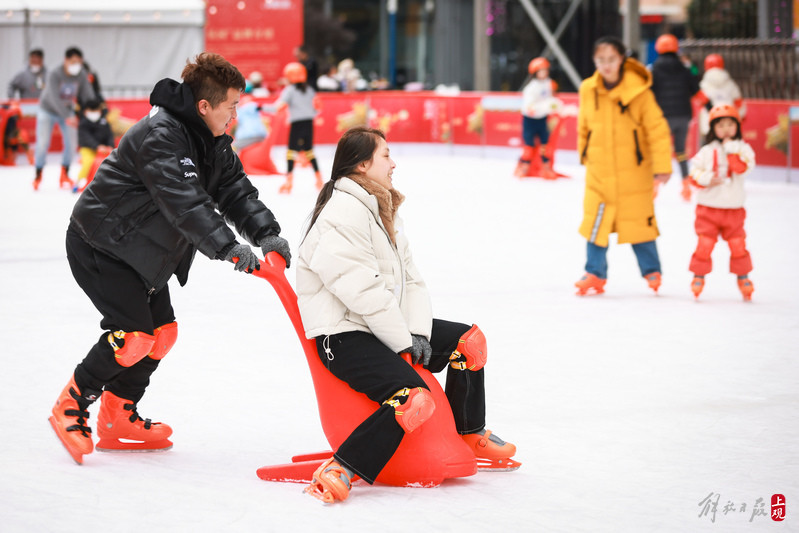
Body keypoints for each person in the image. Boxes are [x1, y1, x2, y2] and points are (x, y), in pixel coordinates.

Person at [48, 52, 292, 465]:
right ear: (205, 106)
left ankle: (117, 416)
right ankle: (71, 405)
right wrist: (226, 247)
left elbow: (234, 190)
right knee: (134, 336)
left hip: (144, 253)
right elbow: (186, 202)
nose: (236, 114)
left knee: (161, 334)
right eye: (231, 105)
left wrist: (267, 233)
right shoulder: (162, 135)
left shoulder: (211, 142)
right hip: (102, 244)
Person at [296, 126, 518, 503]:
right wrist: (403, 342)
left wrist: (415, 333)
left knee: (469, 343)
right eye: (385, 155)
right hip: (344, 335)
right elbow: (361, 292)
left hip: (382, 323)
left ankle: (469, 432)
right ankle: (342, 467)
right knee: (412, 398)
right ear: (363, 164)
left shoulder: (384, 209)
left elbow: (412, 281)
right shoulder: (341, 213)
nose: (393, 163)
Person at [575, 36, 672, 296]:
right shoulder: (588, 89)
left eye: (611, 59)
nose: (606, 65)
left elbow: (657, 130)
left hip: (634, 171)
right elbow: (583, 126)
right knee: (596, 222)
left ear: (621, 59)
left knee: (638, 221)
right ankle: (594, 272)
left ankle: (652, 270)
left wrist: (662, 166)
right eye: (600, 60)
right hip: (599, 170)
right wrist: (584, 154)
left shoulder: (639, 92)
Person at [687, 104, 755, 301]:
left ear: (737, 126)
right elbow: (693, 172)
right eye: (720, 125)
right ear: (713, 129)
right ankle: (698, 276)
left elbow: (742, 168)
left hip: (733, 209)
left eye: (730, 124)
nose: (725, 129)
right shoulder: (707, 151)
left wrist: (732, 151)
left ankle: (744, 278)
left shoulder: (744, 149)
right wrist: (707, 178)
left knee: (737, 245)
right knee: (705, 244)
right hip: (708, 208)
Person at [33, 47, 96, 191]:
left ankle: (64, 173)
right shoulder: (54, 73)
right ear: (66, 61)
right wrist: (69, 116)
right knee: (43, 142)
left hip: (67, 111)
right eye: (73, 62)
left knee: (72, 143)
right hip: (47, 109)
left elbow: (88, 94)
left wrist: (94, 107)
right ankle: (38, 173)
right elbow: (54, 98)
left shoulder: (81, 74)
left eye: (79, 62)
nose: (77, 65)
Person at [650, 34, 700, 201]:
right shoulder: (685, 69)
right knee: (680, 151)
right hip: (683, 116)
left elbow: (648, 94)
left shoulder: (654, 70)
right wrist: (710, 107)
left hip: (662, 118)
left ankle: (654, 186)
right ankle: (686, 186)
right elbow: (697, 90)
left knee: (659, 151)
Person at [275, 62, 322, 193]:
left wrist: (261, 107)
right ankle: (319, 179)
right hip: (309, 123)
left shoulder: (289, 90)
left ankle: (289, 181)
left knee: (291, 152)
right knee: (309, 151)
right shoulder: (310, 89)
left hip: (296, 124)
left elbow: (278, 106)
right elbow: (317, 107)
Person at [515, 57, 559, 179]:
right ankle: (522, 168)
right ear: (535, 73)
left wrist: (554, 106)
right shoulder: (531, 88)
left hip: (543, 119)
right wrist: (542, 107)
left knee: (545, 145)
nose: (544, 73)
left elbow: (551, 100)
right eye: (541, 71)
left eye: (545, 70)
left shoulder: (549, 83)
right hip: (530, 120)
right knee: (529, 145)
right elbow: (529, 107)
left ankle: (546, 168)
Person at [696, 54, 745, 136]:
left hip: (709, 121)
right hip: (729, 120)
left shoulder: (703, 84)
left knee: (708, 147)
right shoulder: (730, 84)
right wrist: (739, 116)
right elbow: (739, 102)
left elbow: (700, 101)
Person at [73, 98, 115, 192]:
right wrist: (97, 146)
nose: (94, 112)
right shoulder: (83, 123)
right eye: (91, 110)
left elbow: (109, 135)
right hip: (88, 148)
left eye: (96, 110)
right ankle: (78, 182)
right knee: (88, 163)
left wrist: (110, 146)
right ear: (85, 111)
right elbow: (86, 137)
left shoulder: (104, 122)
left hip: (104, 149)